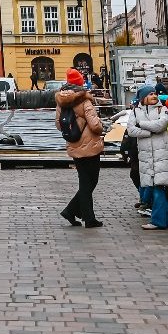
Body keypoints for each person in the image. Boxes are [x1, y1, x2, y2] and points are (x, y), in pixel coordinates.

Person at [55, 68, 105, 228]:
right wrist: (101, 126)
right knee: (90, 182)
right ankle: (85, 217)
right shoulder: (85, 100)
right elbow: (95, 125)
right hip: (90, 144)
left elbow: (58, 124)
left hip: (73, 143)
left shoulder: (61, 100)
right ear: (80, 83)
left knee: (85, 181)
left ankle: (76, 212)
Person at [124, 85, 168, 230]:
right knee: (154, 187)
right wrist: (149, 132)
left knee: (157, 188)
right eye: (150, 94)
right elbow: (131, 130)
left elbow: (161, 125)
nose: (154, 96)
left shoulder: (162, 109)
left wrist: (142, 124)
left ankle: (158, 221)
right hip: (146, 156)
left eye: (155, 93)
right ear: (143, 97)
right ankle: (167, 219)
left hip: (161, 155)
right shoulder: (135, 111)